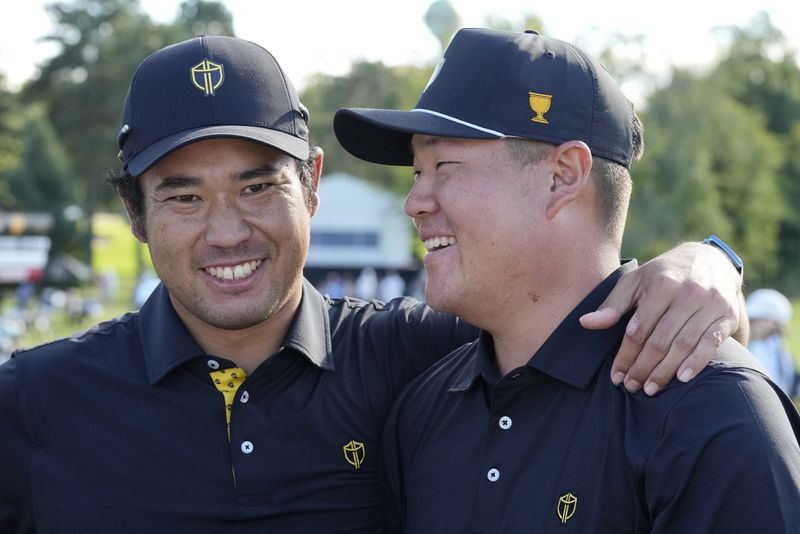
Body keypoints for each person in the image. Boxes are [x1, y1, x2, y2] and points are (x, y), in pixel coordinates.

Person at [0, 35, 746, 532]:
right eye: (184, 197)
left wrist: (708, 263)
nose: (227, 232)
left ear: (313, 184)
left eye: (259, 187)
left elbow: (558, 294)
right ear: (134, 213)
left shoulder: (421, 361)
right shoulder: (34, 401)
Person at [333, 28, 800, 532]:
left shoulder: (710, 408)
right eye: (416, 173)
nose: (415, 203)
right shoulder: (422, 412)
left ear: (563, 175)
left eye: (444, 165)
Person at [746, 288, 797, 396]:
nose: (749, 324)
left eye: (754, 320)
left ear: (771, 322)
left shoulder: (770, 354)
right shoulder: (758, 347)